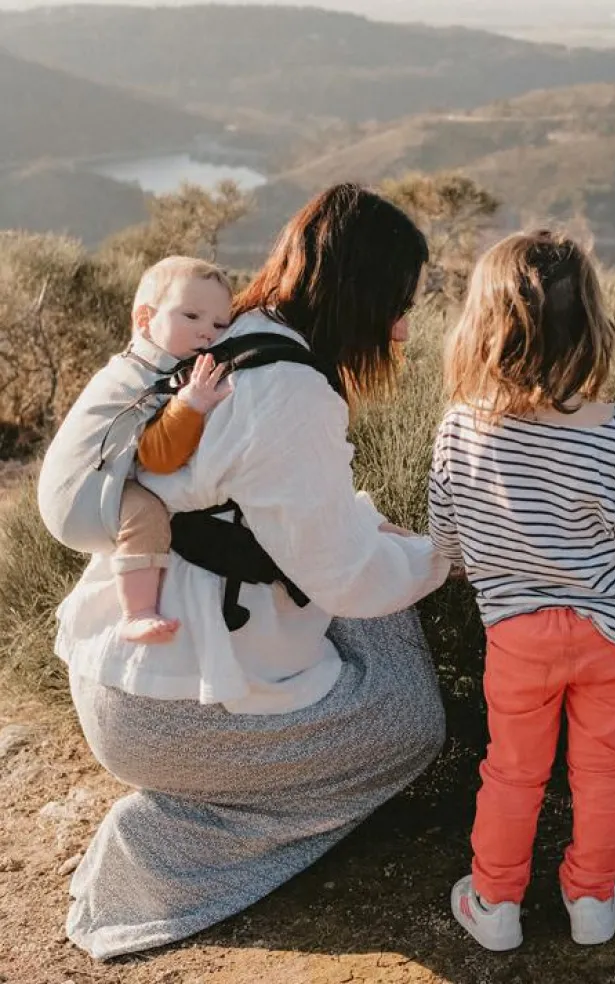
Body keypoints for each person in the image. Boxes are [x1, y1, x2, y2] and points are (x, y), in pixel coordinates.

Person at [42, 184, 450, 960]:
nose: (401, 328)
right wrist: (444, 555)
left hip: (120, 670)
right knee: (411, 727)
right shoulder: (292, 390)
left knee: (378, 564)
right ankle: (171, 843)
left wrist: (373, 531)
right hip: (168, 716)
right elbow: (349, 578)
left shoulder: (242, 332)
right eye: (397, 304)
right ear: (359, 294)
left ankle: (212, 795)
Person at [428, 230, 615, 951]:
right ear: (588, 325)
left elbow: (444, 532)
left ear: (484, 325)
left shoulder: (459, 429)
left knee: (513, 771)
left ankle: (496, 902)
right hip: (613, 636)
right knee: (604, 770)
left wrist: (456, 565)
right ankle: (592, 899)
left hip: (518, 637)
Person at [41, 256, 234, 645]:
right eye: (191, 316)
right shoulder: (150, 376)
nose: (206, 333)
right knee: (147, 515)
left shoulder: (143, 363)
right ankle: (138, 612)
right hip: (81, 497)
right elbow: (159, 456)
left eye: (219, 324)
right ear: (145, 319)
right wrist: (191, 405)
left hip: (73, 489)